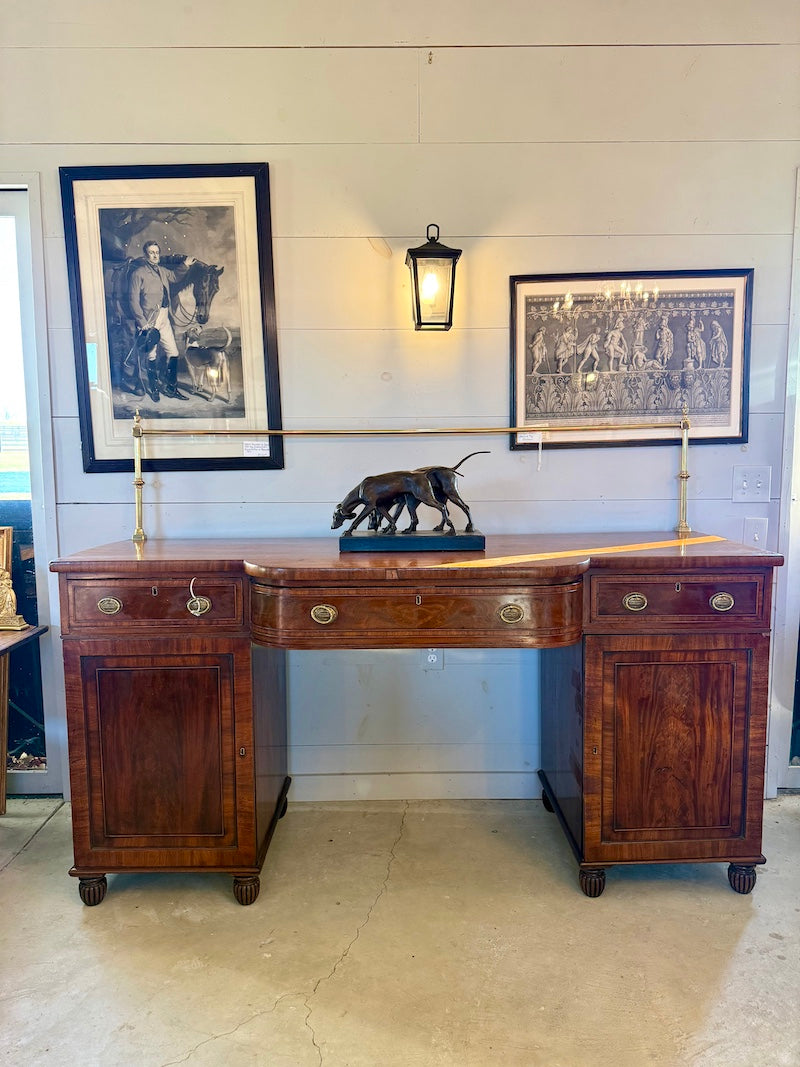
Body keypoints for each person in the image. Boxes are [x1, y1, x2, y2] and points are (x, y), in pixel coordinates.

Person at [125, 241, 196, 401]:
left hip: (164, 316)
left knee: (173, 352)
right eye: (151, 252)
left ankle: (171, 389)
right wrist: (142, 323)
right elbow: (133, 301)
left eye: (157, 252)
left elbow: (176, 276)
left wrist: (185, 264)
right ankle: (154, 389)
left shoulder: (163, 271)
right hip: (149, 320)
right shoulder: (138, 274)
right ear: (145, 255)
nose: (155, 255)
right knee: (151, 354)